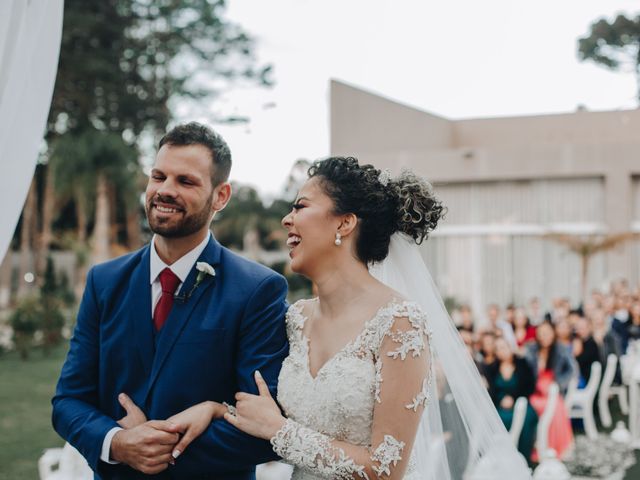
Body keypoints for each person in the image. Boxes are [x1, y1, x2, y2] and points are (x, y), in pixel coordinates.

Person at [160, 157, 531, 479]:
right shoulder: (296, 319)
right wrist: (214, 409)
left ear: (344, 223)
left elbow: (386, 468)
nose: (288, 219)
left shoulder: (399, 323)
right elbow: (267, 411)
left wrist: (281, 433)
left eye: (301, 206)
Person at [52, 122, 289, 479]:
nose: (165, 190)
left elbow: (268, 429)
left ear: (220, 196)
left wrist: (156, 447)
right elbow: (68, 401)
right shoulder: (105, 282)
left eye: (186, 181)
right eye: (158, 176)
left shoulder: (258, 290)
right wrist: (117, 444)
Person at [525, 321, 575, 460]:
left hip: (553, 389)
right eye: (541, 333)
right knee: (537, 407)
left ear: (553, 333)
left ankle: (554, 446)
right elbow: (526, 372)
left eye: (547, 333)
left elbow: (572, 371)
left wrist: (558, 384)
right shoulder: (531, 350)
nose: (544, 336)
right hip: (535, 392)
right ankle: (538, 443)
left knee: (556, 408)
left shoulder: (561, 349)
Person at [485, 337, 538, 462]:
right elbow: (492, 391)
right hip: (501, 405)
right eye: (497, 349)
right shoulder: (492, 368)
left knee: (525, 420)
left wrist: (513, 398)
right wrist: (501, 398)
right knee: (495, 420)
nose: (501, 351)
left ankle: (524, 459)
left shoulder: (522, 363)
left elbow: (530, 386)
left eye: (503, 347)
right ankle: (501, 458)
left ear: (510, 347)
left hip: (521, 403)